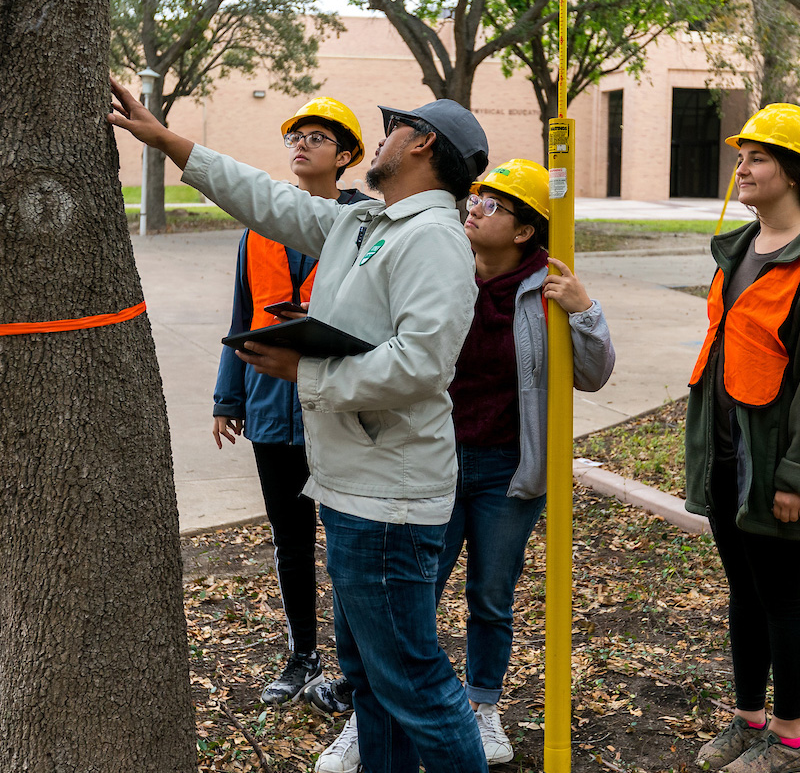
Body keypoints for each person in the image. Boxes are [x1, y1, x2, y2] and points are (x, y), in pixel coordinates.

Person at [109, 79, 492, 773]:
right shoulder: (367, 224)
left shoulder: (434, 238)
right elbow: (269, 199)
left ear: (422, 142)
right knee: (372, 682)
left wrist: (303, 373)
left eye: (390, 129)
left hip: (387, 505)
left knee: (415, 683)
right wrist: (166, 141)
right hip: (354, 493)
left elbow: (422, 365)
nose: (379, 140)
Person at [440, 159, 615, 762]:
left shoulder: (549, 286)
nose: (475, 206)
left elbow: (593, 375)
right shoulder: (441, 269)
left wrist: (584, 310)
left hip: (508, 469)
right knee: (416, 590)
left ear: (522, 231)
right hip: (433, 460)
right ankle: (397, 704)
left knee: (491, 593)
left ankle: (482, 707)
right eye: (476, 196)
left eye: (493, 203)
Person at [212, 97, 370, 706]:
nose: (301, 145)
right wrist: (229, 398)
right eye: (295, 136)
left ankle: (353, 673)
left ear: (346, 155)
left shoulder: (366, 225)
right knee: (290, 537)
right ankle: (302, 655)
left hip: (337, 405)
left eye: (317, 137)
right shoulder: (259, 226)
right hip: (272, 408)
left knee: (347, 539)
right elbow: (241, 317)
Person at [686, 103, 800, 773]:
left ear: (791, 170)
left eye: (757, 157)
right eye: (741, 157)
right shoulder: (737, 250)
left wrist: (794, 474)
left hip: (775, 467)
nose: (743, 168)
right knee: (745, 589)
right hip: (727, 458)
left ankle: (788, 740)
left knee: (785, 595)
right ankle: (749, 718)